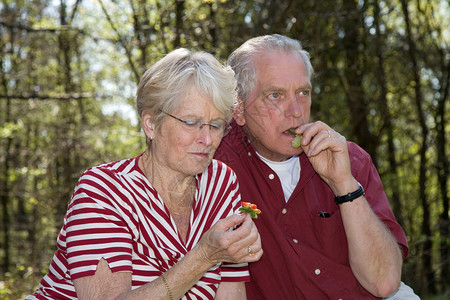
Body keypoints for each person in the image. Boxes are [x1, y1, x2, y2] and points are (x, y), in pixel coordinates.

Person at [26, 48, 262, 300]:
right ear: (150, 123)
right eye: (191, 122)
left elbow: (230, 292)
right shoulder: (104, 190)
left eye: (215, 125)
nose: (206, 139)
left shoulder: (221, 183)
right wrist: (203, 257)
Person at [214, 34, 419, 299]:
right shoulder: (214, 166)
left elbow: (385, 283)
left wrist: (344, 185)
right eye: (275, 95)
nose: (296, 111)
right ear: (238, 109)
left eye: (303, 93)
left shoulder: (349, 159)